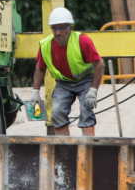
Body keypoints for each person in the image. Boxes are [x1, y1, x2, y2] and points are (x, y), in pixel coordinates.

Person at [30, 7, 105, 136]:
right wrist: (35, 92)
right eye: (55, 28)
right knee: (57, 112)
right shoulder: (46, 45)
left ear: (70, 28)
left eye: (62, 28)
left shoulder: (82, 41)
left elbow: (99, 64)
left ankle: (88, 146)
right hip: (63, 84)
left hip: (85, 81)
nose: (58, 32)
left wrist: (93, 90)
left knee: (86, 110)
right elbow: (40, 68)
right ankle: (64, 149)